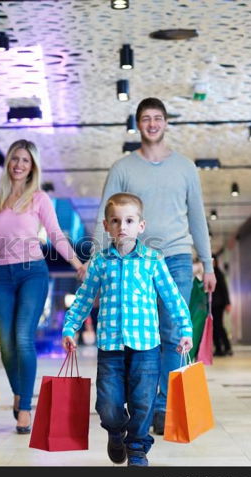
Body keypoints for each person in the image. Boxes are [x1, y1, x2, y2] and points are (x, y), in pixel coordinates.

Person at [91, 97, 215, 435]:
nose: (152, 123)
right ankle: (142, 399)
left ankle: (162, 407)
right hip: (134, 258)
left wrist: (208, 263)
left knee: (173, 332)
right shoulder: (123, 168)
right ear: (138, 124)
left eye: (158, 117)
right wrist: (96, 263)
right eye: (146, 118)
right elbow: (106, 213)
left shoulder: (186, 167)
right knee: (142, 335)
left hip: (176, 256)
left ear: (165, 122)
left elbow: (197, 217)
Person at [63, 193, 192, 467]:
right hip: (111, 348)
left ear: (140, 226)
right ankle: (115, 431)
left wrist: (185, 328)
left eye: (129, 220)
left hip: (146, 347)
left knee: (143, 403)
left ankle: (136, 449)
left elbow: (171, 297)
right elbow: (85, 298)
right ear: (107, 226)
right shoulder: (100, 262)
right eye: (116, 221)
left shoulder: (152, 260)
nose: (123, 226)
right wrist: (70, 327)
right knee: (108, 406)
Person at [0, 139, 85, 434]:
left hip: (32, 274)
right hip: (2, 276)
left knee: (23, 338)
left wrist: (77, 265)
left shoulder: (39, 199)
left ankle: (24, 408)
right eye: (15, 159)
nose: (19, 165)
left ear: (32, 166)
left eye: (25, 161)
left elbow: (56, 234)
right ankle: (19, 392)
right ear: (8, 162)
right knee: (7, 346)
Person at [212, 254, 233, 356]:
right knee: (215, 327)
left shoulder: (219, 274)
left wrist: (228, 303)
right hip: (212, 305)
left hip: (218, 304)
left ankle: (227, 347)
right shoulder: (208, 274)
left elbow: (224, 290)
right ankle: (219, 348)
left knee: (218, 326)